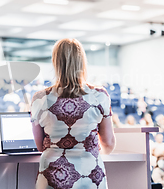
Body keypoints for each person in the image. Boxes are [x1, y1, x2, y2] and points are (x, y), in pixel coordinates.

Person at [31, 38, 115, 188]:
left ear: (55, 63)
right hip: (89, 175)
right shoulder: (99, 95)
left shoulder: (40, 98)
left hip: (52, 175)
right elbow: (108, 144)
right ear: (82, 62)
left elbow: (39, 145)